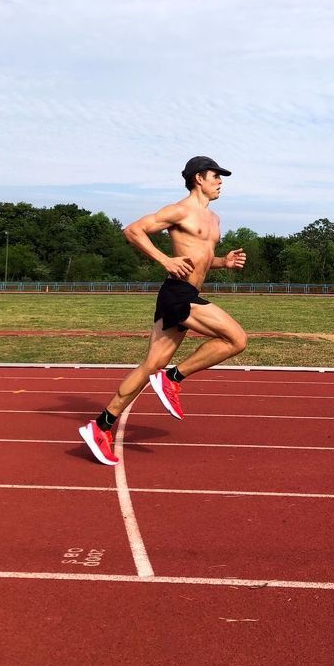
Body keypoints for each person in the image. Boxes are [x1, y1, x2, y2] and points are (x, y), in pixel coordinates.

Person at [79, 155, 248, 466]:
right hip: (177, 294)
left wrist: (224, 262)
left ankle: (100, 426)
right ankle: (173, 378)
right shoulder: (179, 210)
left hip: (188, 292)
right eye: (216, 176)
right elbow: (133, 231)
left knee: (149, 365)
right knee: (236, 339)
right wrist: (165, 260)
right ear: (199, 178)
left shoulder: (214, 220)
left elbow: (201, 256)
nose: (221, 182)